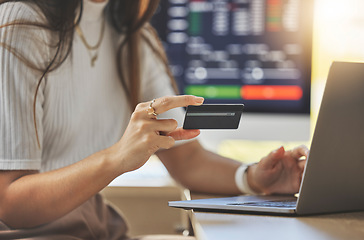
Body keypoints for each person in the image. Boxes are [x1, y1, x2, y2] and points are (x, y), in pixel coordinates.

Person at [0, 0, 309, 239]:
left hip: (94, 228)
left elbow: (187, 159)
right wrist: (116, 158)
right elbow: (10, 203)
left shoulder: (133, 36)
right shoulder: (19, 26)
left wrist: (254, 178)